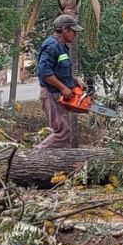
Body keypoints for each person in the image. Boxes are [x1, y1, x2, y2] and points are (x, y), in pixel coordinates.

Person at [35, 14, 85, 149]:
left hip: (58, 94)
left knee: (64, 133)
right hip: (52, 94)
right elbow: (44, 72)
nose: (75, 34)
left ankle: (55, 165)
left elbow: (58, 70)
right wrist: (63, 88)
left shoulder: (61, 46)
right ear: (65, 29)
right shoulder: (51, 46)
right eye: (73, 31)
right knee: (62, 133)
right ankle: (33, 157)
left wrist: (74, 80)